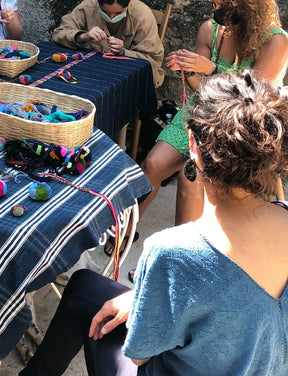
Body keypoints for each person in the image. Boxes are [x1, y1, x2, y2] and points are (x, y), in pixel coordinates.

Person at [21, 71, 288, 376]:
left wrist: (150, 299)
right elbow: (239, 305)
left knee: (83, 290)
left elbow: (140, 355)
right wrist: (142, 296)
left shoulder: (174, 252)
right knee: (87, 286)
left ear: (193, 146)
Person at [140, 0, 288, 226]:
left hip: (243, 125)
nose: (217, 11)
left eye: (223, 5)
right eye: (213, 4)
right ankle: (123, 236)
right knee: (152, 165)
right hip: (201, 111)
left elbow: (253, 98)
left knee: (190, 177)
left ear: (247, 4)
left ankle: (185, 256)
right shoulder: (210, 30)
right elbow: (200, 89)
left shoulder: (275, 41)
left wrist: (209, 71)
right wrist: (190, 70)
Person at [52, 0, 164, 87]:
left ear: (128, 4)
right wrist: (82, 36)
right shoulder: (89, 6)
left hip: (125, 78)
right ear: (98, 3)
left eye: (118, 13)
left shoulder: (142, 15)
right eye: (105, 12)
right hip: (89, 72)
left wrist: (123, 52)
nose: (111, 17)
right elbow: (59, 33)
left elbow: (153, 61)